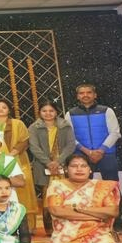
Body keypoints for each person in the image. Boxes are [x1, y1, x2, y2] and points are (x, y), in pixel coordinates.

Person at [47, 154, 122, 243]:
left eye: (83, 166)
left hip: (98, 232)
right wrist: (96, 215)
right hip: (67, 234)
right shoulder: (56, 185)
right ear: (66, 169)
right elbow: (56, 210)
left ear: (90, 169)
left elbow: (113, 211)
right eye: (74, 166)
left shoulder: (101, 186)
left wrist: (79, 208)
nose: (79, 169)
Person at [65, 83, 122, 233]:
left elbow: (115, 132)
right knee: (82, 189)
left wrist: (101, 150)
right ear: (77, 96)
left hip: (106, 154)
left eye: (89, 92)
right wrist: (86, 151)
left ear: (95, 95)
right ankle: (87, 221)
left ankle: (117, 222)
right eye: (82, 93)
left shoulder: (106, 111)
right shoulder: (70, 114)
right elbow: (69, 136)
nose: (85, 95)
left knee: (112, 188)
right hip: (81, 155)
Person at [0, 99, 38, 231]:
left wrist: (10, 155)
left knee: (22, 191)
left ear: (9, 110)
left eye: (4, 107)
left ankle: (27, 227)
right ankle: (3, 224)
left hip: (17, 159)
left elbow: (24, 141)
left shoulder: (17, 123)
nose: (1, 109)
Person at [28, 99, 76, 235]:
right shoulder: (34, 127)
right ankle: (49, 228)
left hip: (62, 165)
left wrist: (58, 161)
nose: (48, 113)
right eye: (44, 111)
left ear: (56, 112)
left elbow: (70, 145)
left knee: (64, 194)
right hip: (43, 166)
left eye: (51, 111)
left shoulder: (65, 126)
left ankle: (66, 225)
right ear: (39, 112)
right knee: (47, 196)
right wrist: (48, 163)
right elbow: (34, 147)